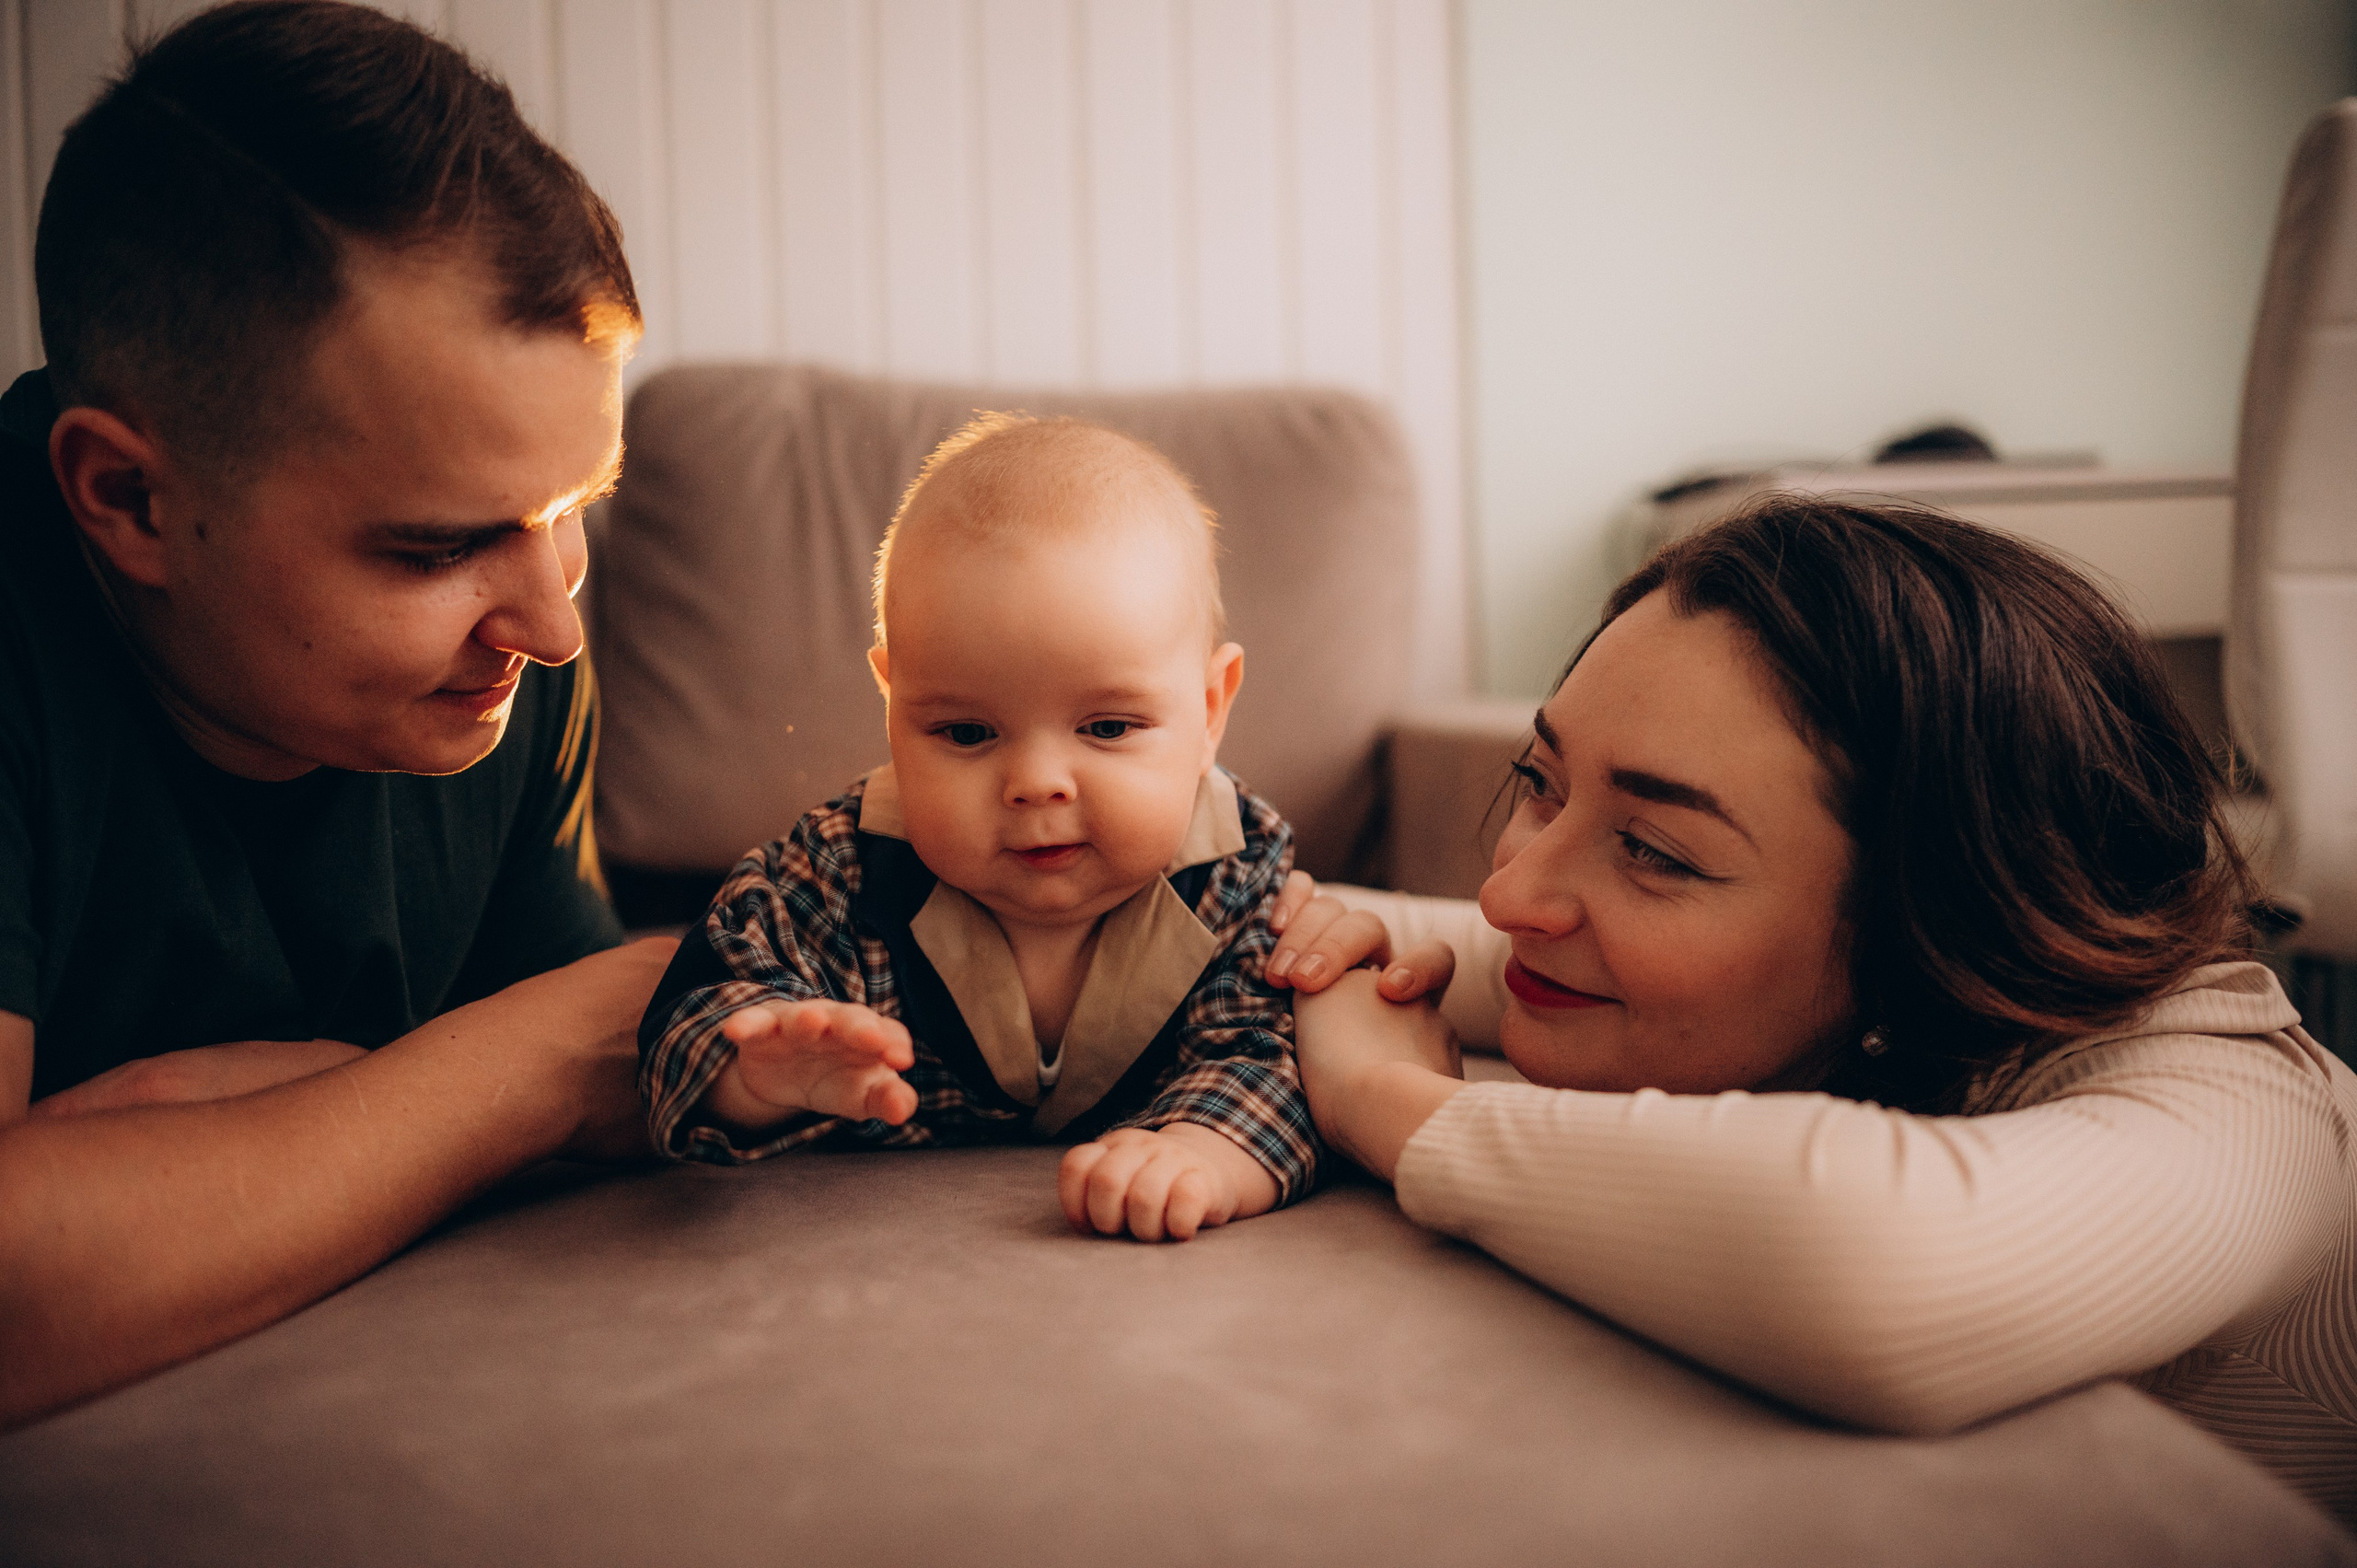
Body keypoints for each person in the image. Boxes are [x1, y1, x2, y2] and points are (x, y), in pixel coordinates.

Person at [1268, 495, 2357, 1523]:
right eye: (1541, 780)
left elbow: (1894, 1278)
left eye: (1653, 849)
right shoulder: (1854, 996)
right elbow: (1378, 937)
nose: (1507, 892)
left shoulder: (2243, 1107)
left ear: (1930, 927)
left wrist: (1386, 1098)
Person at [0, 1, 676, 1427]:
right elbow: (562, 1053)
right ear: (129, 499)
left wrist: (328, 1110)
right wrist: (514, 1068)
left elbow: (611, 1107)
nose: (554, 623)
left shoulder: (509, 649)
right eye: (437, 548)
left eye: (573, 511)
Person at [638, 413, 1316, 1242]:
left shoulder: (1236, 868)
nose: (1035, 784)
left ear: (1210, 708)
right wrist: (753, 1074)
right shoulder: (844, 866)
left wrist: (1205, 1150)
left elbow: (1275, 1054)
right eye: (966, 733)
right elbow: (696, 1013)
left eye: (1107, 727)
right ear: (893, 707)